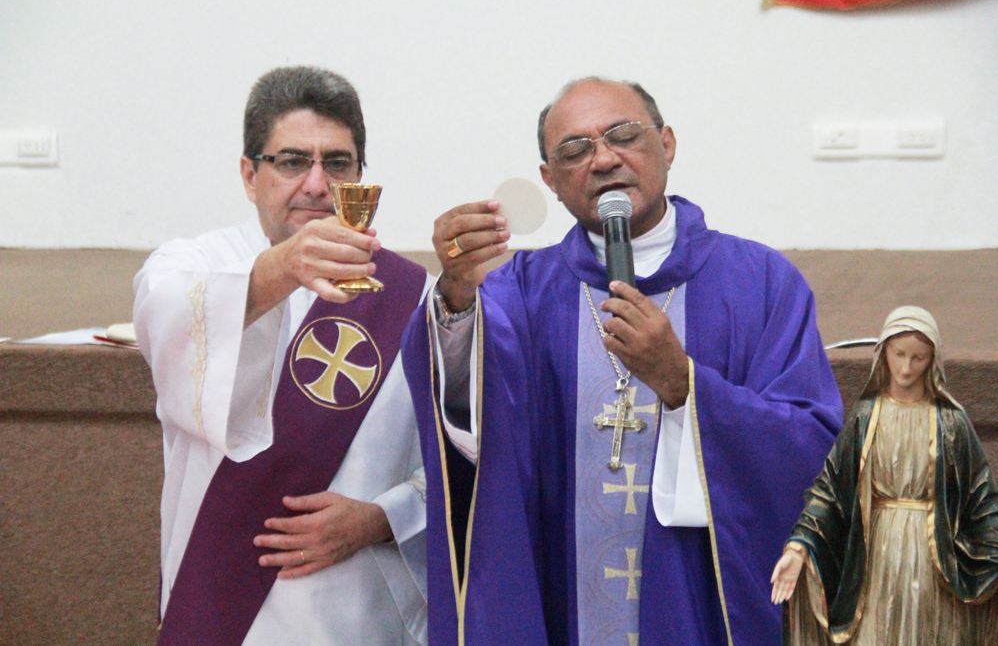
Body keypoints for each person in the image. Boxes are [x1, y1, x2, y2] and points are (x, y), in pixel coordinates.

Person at [400, 77, 844, 645]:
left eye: (624, 135)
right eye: (575, 150)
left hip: (698, 612)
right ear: (550, 181)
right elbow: (466, 430)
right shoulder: (518, 293)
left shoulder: (758, 283)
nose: (604, 159)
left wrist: (685, 386)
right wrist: (456, 296)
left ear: (668, 144)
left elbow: (811, 448)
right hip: (565, 607)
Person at [133, 66, 431, 646]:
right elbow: (167, 320)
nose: (317, 184)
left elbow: (457, 456)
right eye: (293, 162)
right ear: (250, 175)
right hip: (223, 601)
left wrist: (381, 518)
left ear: (359, 177)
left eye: (337, 163)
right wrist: (284, 267)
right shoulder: (191, 266)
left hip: (357, 609)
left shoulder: (412, 296)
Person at [771, 306, 998, 645]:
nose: (906, 368)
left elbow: (981, 499)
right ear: (884, 353)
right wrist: (798, 547)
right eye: (898, 354)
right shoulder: (866, 418)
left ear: (932, 361)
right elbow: (829, 491)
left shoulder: (951, 423)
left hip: (932, 559)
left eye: (918, 358)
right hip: (874, 558)